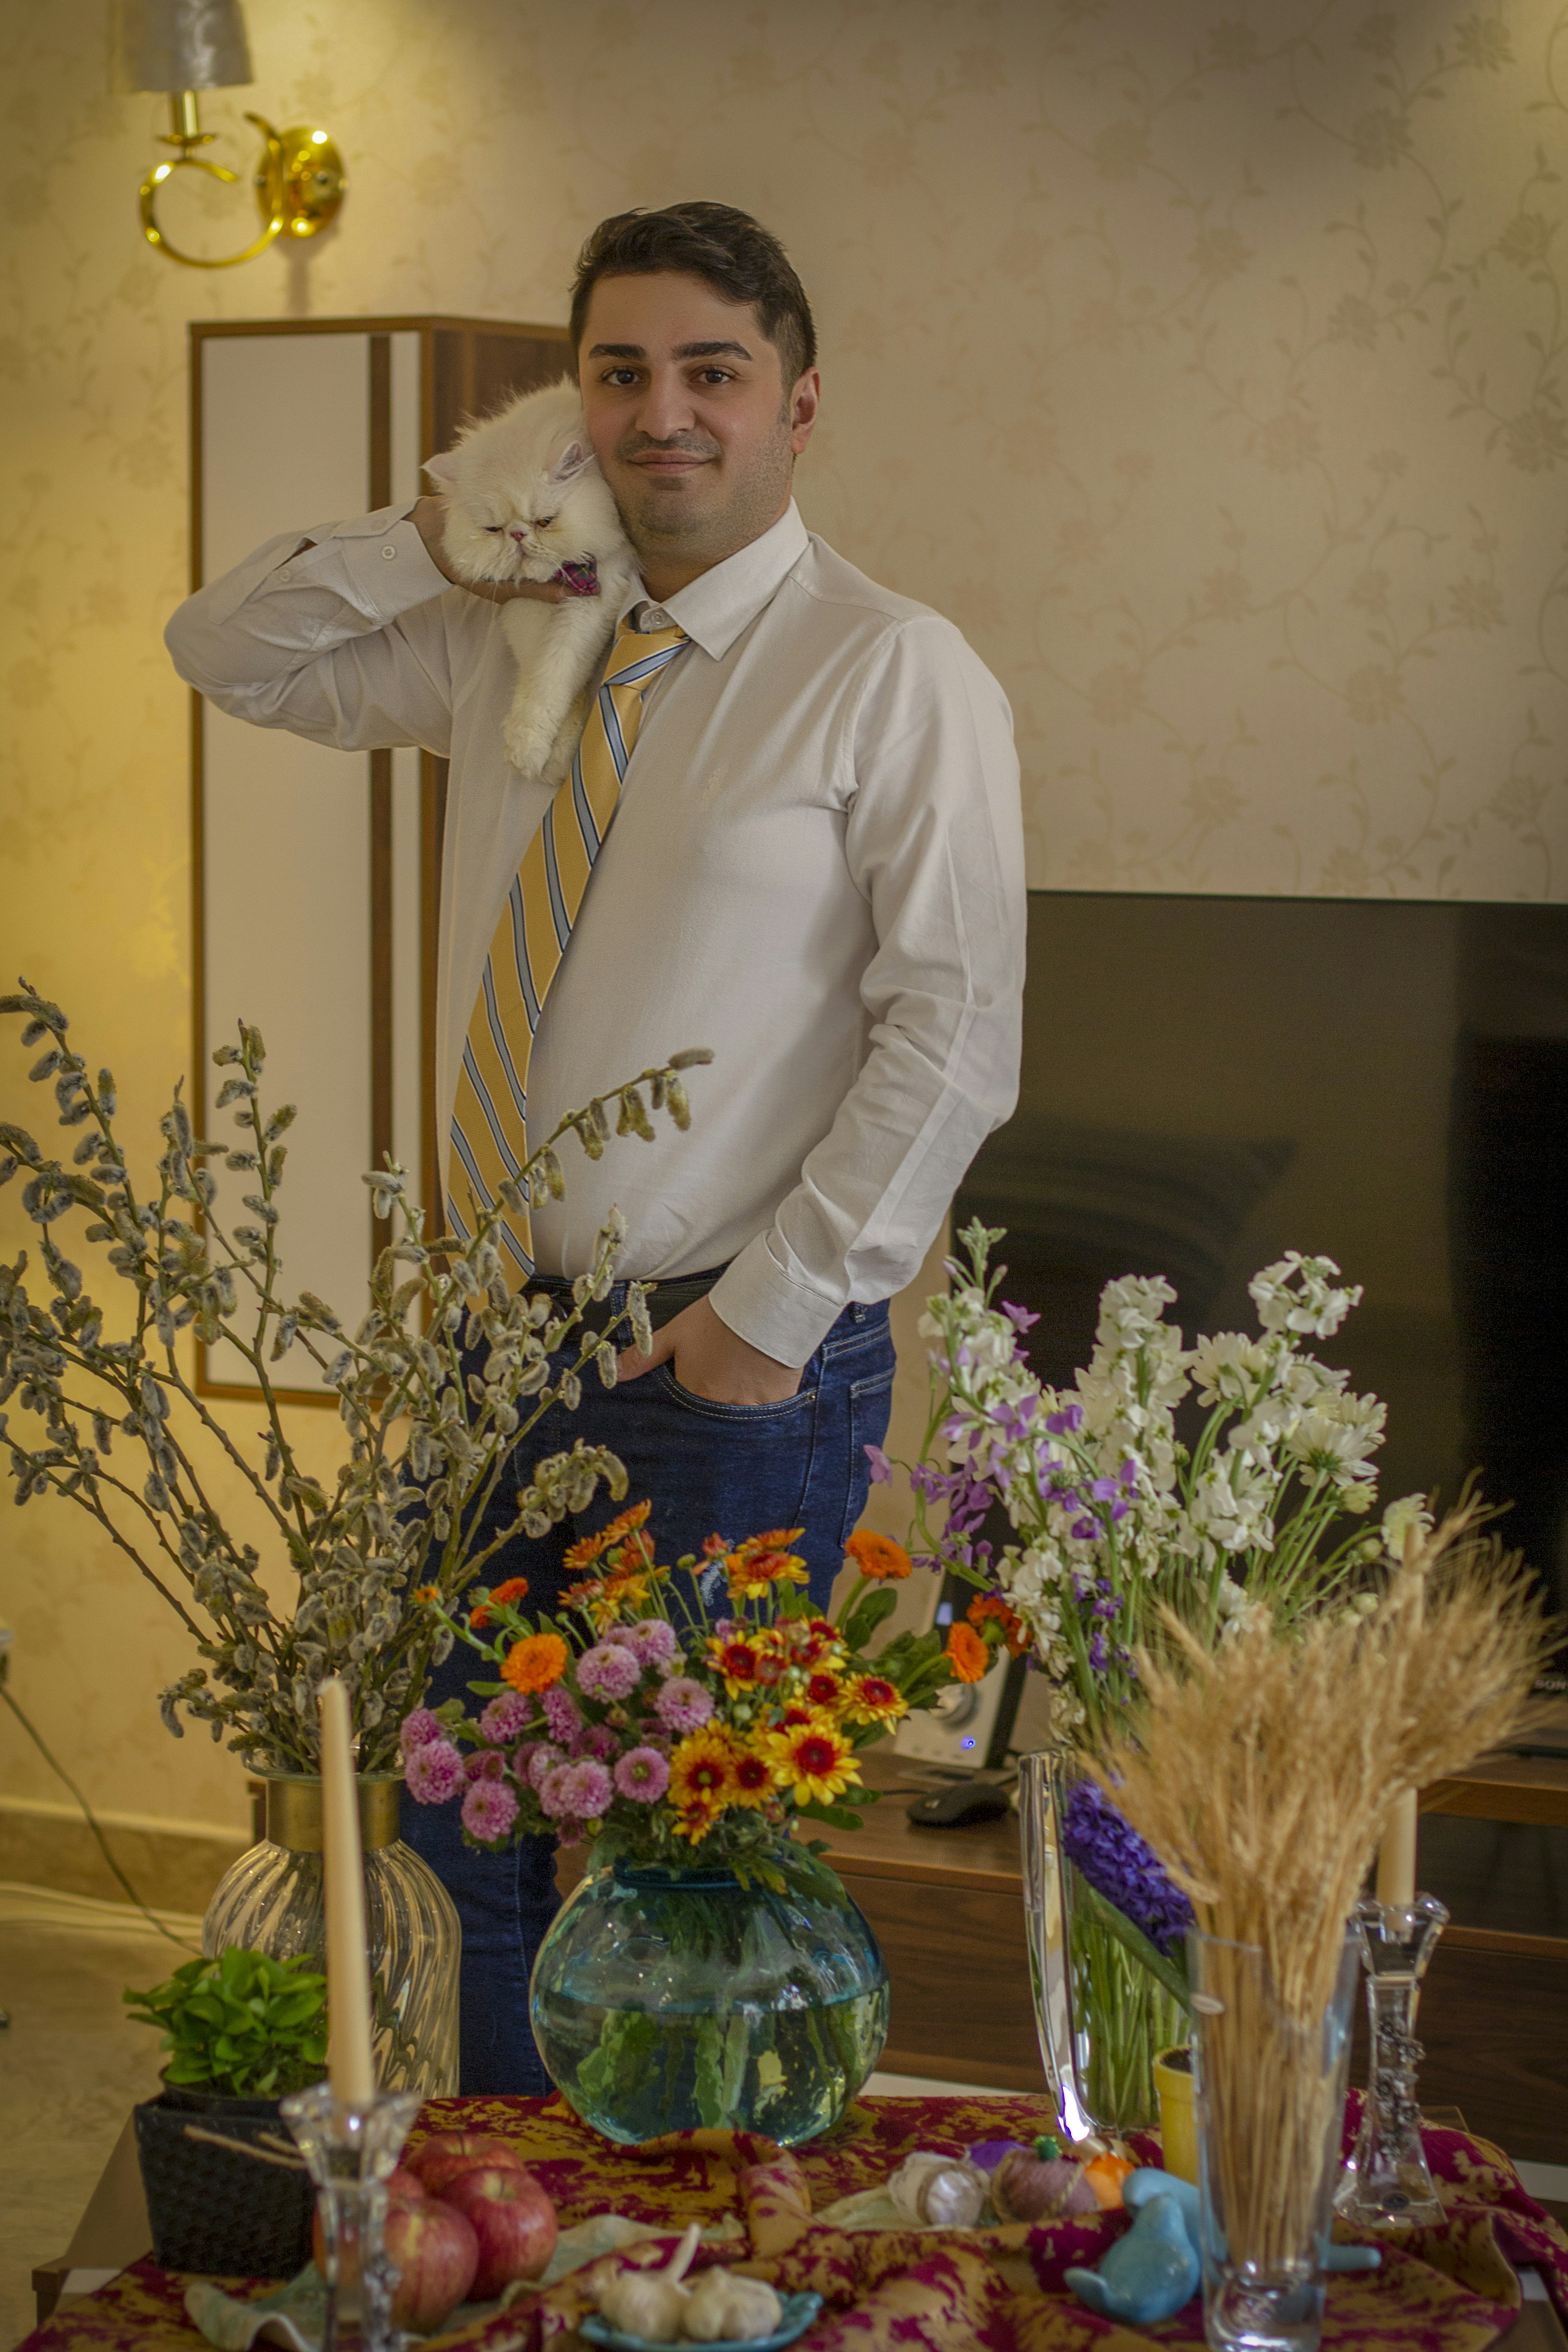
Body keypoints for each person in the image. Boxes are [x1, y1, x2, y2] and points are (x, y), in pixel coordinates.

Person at [166, 201, 1025, 2091]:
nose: (665, 416)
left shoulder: (895, 670)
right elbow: (224, 646)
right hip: (489, 1344)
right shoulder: (514, 638)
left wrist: (767, 1327)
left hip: (723, 1366)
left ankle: (682, 2262)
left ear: (801, 406)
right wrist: (449, 528)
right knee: (444, 1829)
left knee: (682, 1878)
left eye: (712, 372)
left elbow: (955, 1036)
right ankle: (513, 2225)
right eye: (617, 375)